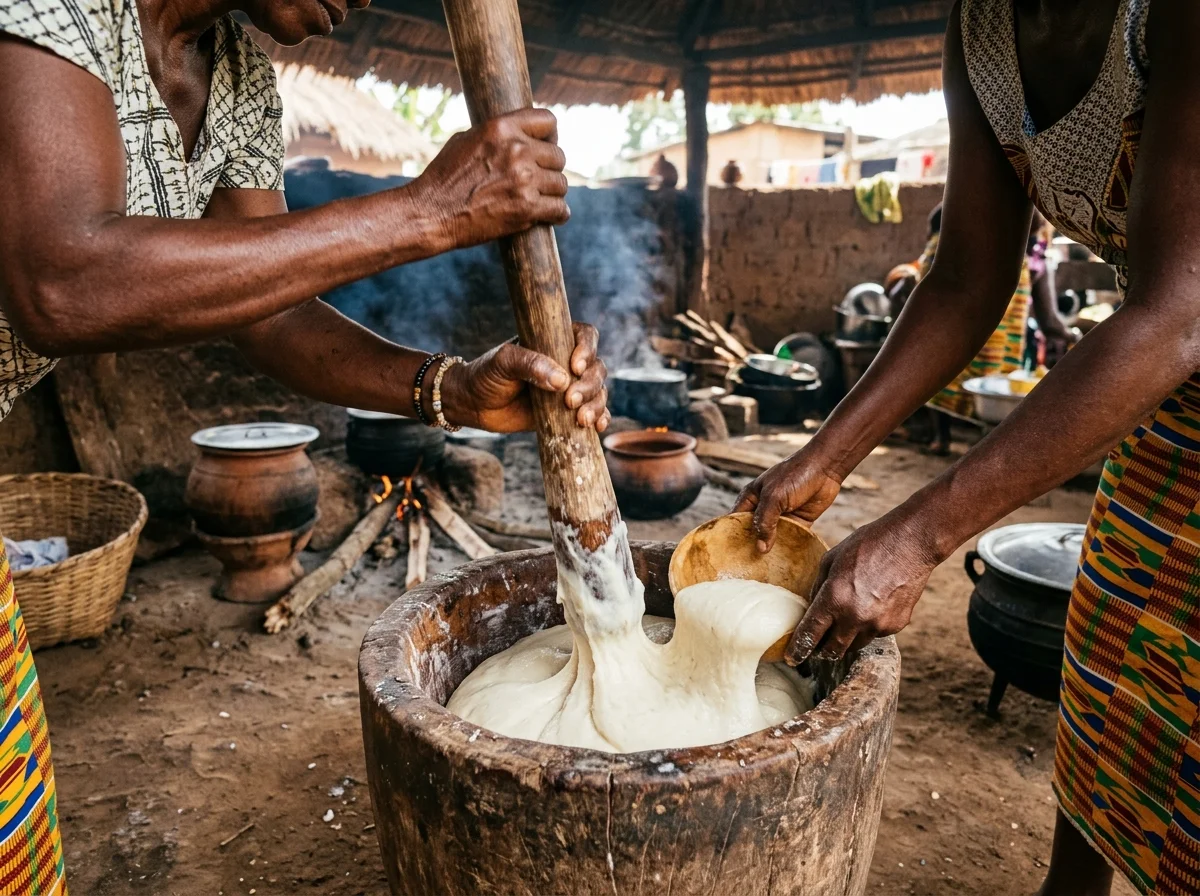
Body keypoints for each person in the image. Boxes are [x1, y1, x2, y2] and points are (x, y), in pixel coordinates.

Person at [0, 0, 610, 889]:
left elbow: (270, 309)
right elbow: (63, 282)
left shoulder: (237, 73)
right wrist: (431, 211)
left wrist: (450, 385)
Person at [737, 1, 1200, 893]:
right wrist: (827, 457)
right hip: (1175, 405)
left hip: (1172, 343)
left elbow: (1178, 310)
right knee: (1111, 674)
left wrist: (917, 536)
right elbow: (966, 276)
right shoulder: (982, 27)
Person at [924, 207, 1076, 453]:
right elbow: (1049, 320)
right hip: (996, 344)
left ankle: (941, 438)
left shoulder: (953, 234)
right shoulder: (1033, 257)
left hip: (957, 334)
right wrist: (1073, 336)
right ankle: (981, 449)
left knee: (939, 377)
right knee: (990, 392)